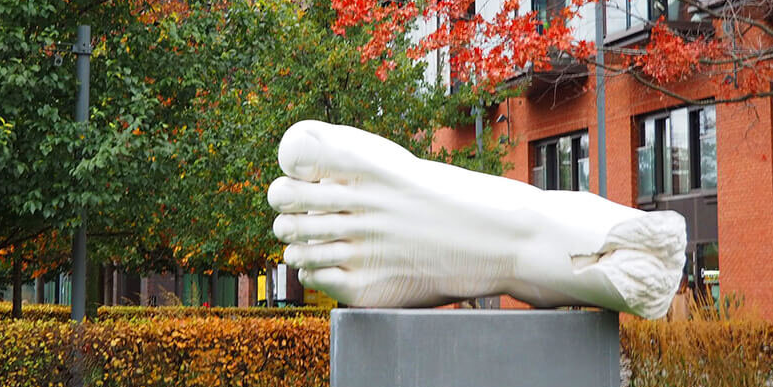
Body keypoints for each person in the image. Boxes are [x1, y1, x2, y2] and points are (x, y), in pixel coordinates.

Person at [268, 120, 686, 319]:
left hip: (587, 251)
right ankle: (501, 238)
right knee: (524, 242)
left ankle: (494, 240)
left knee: (522, 243)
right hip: (586, 249)